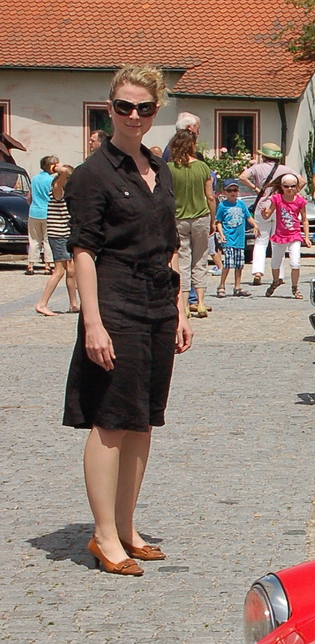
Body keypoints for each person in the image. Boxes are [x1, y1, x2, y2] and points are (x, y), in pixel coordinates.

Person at [63, 64, 192, 575]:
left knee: (143, 419)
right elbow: (83, 251)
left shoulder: (159, 168)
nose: (133, 116)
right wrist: (92, 323)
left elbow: (170, 244)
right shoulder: (93, 174)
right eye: (123, 107)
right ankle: (103, 536)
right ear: (110, 108)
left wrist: (180, 308)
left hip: (158, 302)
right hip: (115, 302)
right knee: (112, 420)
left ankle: (125, 525)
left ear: (156, 111)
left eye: (143, 108)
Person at [169, 126, 216, 318]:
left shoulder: (170, 168)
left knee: (182, 261)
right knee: (200, 260)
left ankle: (185, 305)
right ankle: (201, 302)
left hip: (178, 218)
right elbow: (210, 196)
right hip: (200, 216)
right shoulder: (202, 167)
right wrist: (213, 219)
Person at [35, 165, 79, 316]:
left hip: (66, 235)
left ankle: (73, 303)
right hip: (59, 235)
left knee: (71, 271)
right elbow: (63, 174)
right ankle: (42, 303)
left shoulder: (66, 193)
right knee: (59, 271)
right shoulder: (57, 191)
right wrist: (57, 168)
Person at [239, 145, 285, 284]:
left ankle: (258, 272)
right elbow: (302, 181)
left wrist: (255, 188)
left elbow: (242, 176)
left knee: (260, 240)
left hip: (262, 206)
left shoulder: (257, 168)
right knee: (278, 241)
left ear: (264, 156)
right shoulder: (284, 169)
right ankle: (279, 274)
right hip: (279, 205)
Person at [262, 172, 312, 297]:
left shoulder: (300, 201)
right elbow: (267, 215)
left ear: (297, 187)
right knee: (275, 263)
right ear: (282, 187)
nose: (290, 189)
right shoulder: (277, 199)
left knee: (295, 263)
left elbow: (304, 220)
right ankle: (275, 281)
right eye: (286, 186)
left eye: (293, 186)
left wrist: (306, 237)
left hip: (294, 235)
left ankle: (295, 288)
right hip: (280, 235)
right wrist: (263, 213)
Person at [213, 180, 255, 296]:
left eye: (235, 190)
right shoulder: (222, 205)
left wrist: (255, 225)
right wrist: (221, 234)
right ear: (225, 192)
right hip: (229, 238)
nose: (233, 193)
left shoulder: (241, 204)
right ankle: (222, 285)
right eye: (230, 190)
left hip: (240, 239)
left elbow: (248, 217)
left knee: (239, 264)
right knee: (227, 263)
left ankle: (237, 286)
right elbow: (219, 221)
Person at [26, 153, 58, 273]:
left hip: (34, 211)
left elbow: (29, 197)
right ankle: (47, 265)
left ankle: (31, 265)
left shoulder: (34, 179)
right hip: (48, 212)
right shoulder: (52, 180)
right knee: (47, 240)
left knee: (34, 240)